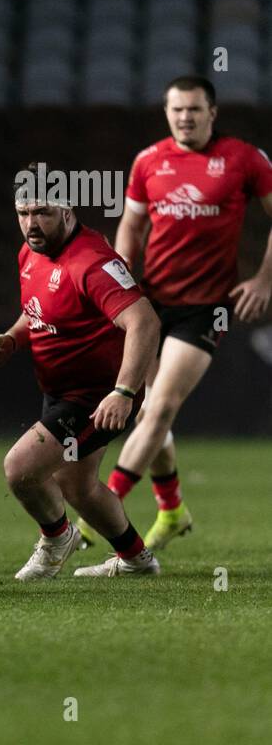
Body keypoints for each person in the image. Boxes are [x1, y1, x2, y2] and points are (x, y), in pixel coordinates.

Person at [80, 76, 272, 551]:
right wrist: (123, 284)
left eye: (193, 109)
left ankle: (92, 522)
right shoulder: (149, 160)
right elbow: (131, 224)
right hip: (150, 303)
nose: (184, 117)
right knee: (147, 411)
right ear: (167, 113)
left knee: (160, 408)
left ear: (213, 112)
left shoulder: (245, 159)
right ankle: (171, 510)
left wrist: (265, 279)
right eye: (176, 110)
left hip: (206, 309)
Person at [0, 168, 162, 579]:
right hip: (61, 390)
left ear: (68, 210)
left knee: (21, 469)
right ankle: (138, 560)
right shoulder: (30, 251)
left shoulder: (92, 261)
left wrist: (123, 391)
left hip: (96, 396)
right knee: (78, 487)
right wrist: (14, 338)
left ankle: (56, 539)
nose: (31, 223)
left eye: (42, 212)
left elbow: (145, 322)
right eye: (23, 212)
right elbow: (37, 309)